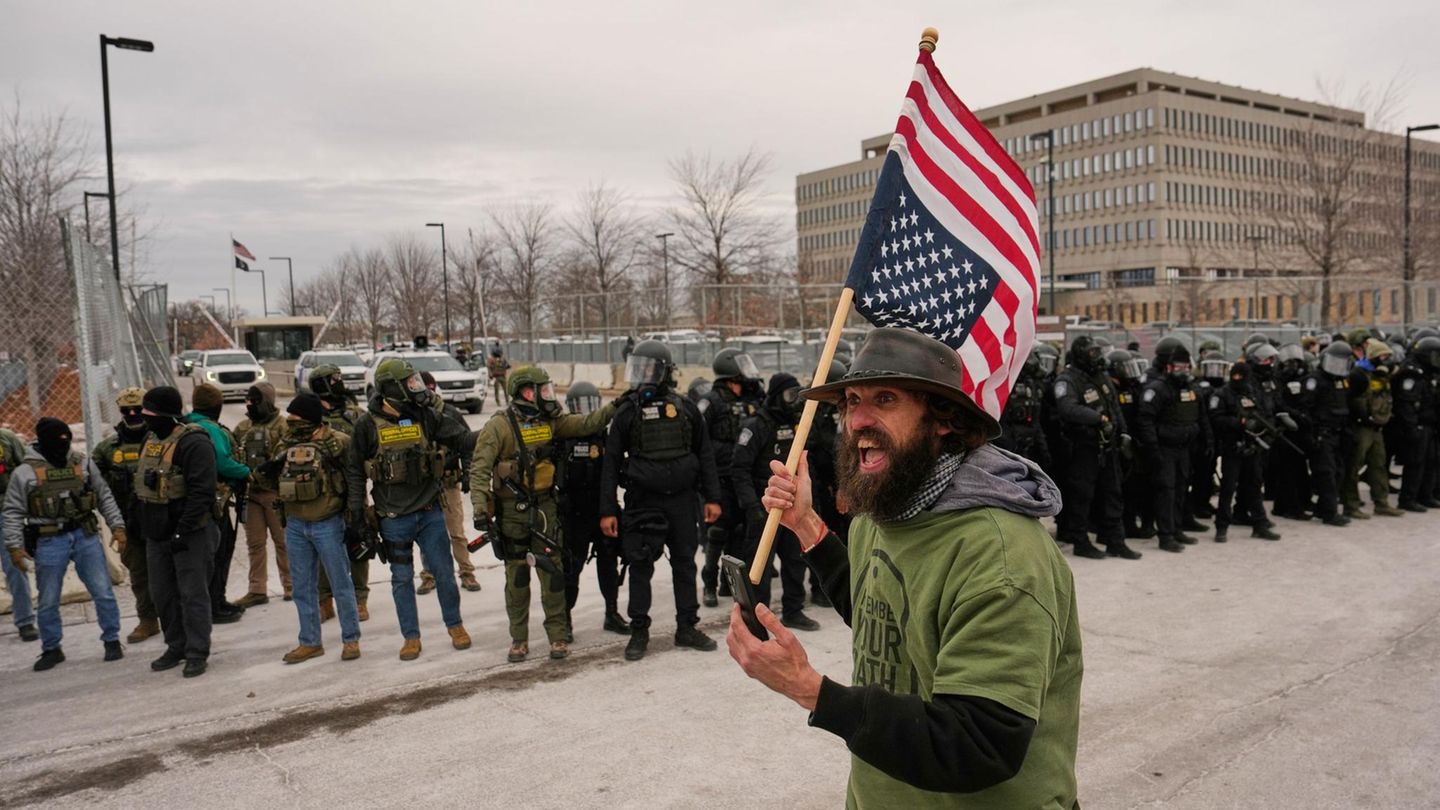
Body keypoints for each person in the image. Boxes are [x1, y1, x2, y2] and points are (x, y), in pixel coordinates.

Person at [728, 327, 1079, 807]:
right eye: (851, 400)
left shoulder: (1001, 556)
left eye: (885, 399)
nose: (857, 421)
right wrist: (807, 525)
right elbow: (880, 609)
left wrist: (811, 690)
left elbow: (979, 744)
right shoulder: (886, 510)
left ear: (943, 419)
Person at [471, 366, 615, 662]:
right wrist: (478, 507)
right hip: (512, 512)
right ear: (527, 392)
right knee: (517, 578)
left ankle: (558, 638)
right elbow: (479, 469)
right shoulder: (499, 426)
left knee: (553, 574)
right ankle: (519, 640)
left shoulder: (552, 422)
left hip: (546, 508)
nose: (549, 395)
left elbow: (587, 423)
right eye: (544, 389)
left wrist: (616, 405)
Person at [600, 340, 723, 661]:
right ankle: (639, 630)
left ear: (665, 372)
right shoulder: (627, 412)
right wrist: (608, 510)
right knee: (640, 567)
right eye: (637, 368)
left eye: (648, 368)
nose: (642, 375)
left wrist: (712, 498)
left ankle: (687, 628)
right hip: (642, 503)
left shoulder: (685, 409)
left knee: (685, 565)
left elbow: (705, 454)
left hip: (683, 502)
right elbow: (610, 464)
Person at [346, 358, 473, 661]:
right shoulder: (366, 425)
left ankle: (455, 625)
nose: (417, 387)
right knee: (402, 579)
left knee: (443, 572)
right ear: (393, 388)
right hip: (393, 518)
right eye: (410, 383)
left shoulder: (427, 416)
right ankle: (411, 637)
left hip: (429, 511)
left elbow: (462, 439)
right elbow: (354, 471)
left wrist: (499, 430)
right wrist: (356, 513)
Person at [4, 417, 127, 671]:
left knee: (102, 590)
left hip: (85, 533)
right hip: (48, 539)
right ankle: (51, 648)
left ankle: (112, 640)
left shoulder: (82, 463)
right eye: (56, 442)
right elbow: (13, 512)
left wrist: (117, 526)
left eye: (66, 440)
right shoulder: (25, 472)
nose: (62, 446)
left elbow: (103, 495)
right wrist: (15, 546)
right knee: (48, 598)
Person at [272, 394, 365, 663]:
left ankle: (351, 639)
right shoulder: (285, 443)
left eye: (295, 417)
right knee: (302, 587)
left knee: (341, 584)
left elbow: (354, 482)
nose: (290, 421)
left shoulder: (338, 442)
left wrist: (357, 518)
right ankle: (310, 641)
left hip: (328, 522)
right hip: (296, 525)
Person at [134, 386, 219, 678]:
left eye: (149, 414)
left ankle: (197, 650)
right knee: (163, 594)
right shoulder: (151, 439)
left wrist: (182, 530)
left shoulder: (194, 442)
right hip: (156, 532)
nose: (144, 419)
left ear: (167, 414)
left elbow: (202, 491)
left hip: (189, 532)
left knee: (193, 593)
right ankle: (176, 645)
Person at [732, 373, 821, 632]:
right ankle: (758, 619)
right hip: (764, 507)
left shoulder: (798, 423)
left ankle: (793, 611)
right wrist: (752, 508)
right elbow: (739, 469)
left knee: (795, 561)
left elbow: (809, 459)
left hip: (791, 506)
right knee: (758, 568)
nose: (792, 401)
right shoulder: (757, 425)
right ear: (776, 395)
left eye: (796, 395)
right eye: (788, 395)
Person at [1052, 336, 1140, 559]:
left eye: (1098, 352)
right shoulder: (1067, 379)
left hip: (1108, 446)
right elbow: (1067, 408)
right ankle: (1081, 542)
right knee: (1082, 496)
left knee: (1113, 494)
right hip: (1083, 447)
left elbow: (1114, 407)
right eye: (1092, 353)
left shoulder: (1101, 377)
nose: (1097, 357)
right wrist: (1098, 419)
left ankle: (1115, 541)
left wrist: (1123, 433)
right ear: (1081, 354)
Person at [557, 381, 628, 638]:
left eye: (590, 405)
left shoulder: (607, 437)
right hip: (573, 516)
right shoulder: (562, 437)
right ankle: (565, 618)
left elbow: (619, 472)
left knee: (609, 564)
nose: (586, 412)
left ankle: (611, 612)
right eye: (580, 405)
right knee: (571, 569)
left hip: (605, 512)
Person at [92, 387, 161, 641]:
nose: (132, 414)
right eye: (126, 411)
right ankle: (148, 620)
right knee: (139, 574)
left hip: (161, 519)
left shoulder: (161, 441)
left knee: (168, 572)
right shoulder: (107, 449)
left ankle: (177, 617)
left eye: (138, 409)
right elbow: (95, 485)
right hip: (128, 522)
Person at [698, 347, 763, 607]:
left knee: (740, 531)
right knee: (717, 533)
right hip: (719, 478)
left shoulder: (750, 400)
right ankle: (709, 583)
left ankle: (729, 581)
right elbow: (699, 441)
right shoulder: (711, 401)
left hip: (742, 478)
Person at [308, 363, 372, 622]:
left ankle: (360, 598)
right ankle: (325, 599)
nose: (339, 382)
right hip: (321, 494)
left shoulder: (355, 414)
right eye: (333, 379)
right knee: (323, 547)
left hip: (353, 489)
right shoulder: (311, 416)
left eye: (339, 378)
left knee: (359, 542)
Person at [186, 383, 252, 625]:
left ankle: (213, 602)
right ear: (217, 406)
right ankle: (216, 603)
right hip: (217, 500)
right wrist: (246, 471)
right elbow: (223, 464)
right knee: (221, 551)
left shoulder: (185, 425)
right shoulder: (211, 430)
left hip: (192, 501)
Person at [1136, 337, 1205, 551]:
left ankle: (1176, 529)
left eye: (1186, 367)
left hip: (1183, 449)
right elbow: (1145, 421)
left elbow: (1200, 418)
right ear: (1168, 366)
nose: (1183, 371)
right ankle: (1166, 536)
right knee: (1166, 492)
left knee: (1180, 489)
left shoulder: (1189, 389)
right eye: (1178, 367)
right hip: (1164, 449)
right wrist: (1153, 450)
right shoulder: (1157, 388)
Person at [416, 371, 481, 595]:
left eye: (429, 387)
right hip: (424, 485)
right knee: (427, 533)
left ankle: (467, 572)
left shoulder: (450, 413)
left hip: (449, 481)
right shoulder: (415, 415)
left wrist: (467, 473)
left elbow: (466, 443)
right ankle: (429, 575)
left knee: (456, 531)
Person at [1208, 355, 1282, 542]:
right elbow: (1216, 419)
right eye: (1235, 375)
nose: (1238, 379)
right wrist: (1239, 424)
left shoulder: (1252, 393)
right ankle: (1221, 527)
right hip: (1232, 447)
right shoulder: (1221, 394)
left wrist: (1263, 431)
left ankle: (1260, 525)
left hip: (1252, 446)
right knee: (1228, 488)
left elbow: (1264, 414)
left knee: (1254, 487)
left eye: (1242, 376)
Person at [234, 383, 291, 605]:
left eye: (255, 401)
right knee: (255, 544)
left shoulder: (283, 426)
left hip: (275, 493)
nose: (250, 405)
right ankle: (257, 589)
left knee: (283, 542)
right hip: (251, 494)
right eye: (248, 401)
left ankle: (290, 585)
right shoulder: (242, 427)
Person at [1298, 341, 1356, 527]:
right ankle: (1330, 513)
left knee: (1338, 471)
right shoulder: (1315, 380)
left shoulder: (1340, 381)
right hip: (1321, 434)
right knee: (1327, 473)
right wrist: (1312, 434)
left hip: (1337, 432)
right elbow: (1305, 409)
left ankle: (1323, 507)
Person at [1343, 340, 1403, 518]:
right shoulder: (1358, 374)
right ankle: (1351, 505)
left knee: (1378, 465)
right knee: (1354, 466)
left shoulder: (1379, 374)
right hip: (1362, 427)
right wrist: (1364, 417)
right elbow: (1353, 400)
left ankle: (1381, 502)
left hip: (1377, 427)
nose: (1385, 360)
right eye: (1382, 356)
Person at [1108, 348, 1154, 540]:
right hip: (1116, 444)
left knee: (1135, 486)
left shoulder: (1132, 388)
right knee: (1119, 489)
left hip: (1133, 443)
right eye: (1126, 368)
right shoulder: (1110, 388)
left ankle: (1131, 523)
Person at [1392, 336, 1439, 512]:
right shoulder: (1411, 372)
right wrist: (1412, 427)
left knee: (1431, 461)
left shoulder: (1427, 372)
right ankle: (1407, 498)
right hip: (1417, 424)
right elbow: (1405, 404)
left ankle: (1425, 495)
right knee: (1415, 462)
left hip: (1428, 423)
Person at [0, 427, 38, 642]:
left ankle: (25, 621)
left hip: (6, 513)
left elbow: (26, 470)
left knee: (15, 566)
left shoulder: (6, 439)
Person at [993, 348, 1051, 470]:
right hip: (1008, 448)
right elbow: (998, 420)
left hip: (1028, 446)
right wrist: (1011, 443)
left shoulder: (1030, 384)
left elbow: (1035, 419)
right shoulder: (1002, 383)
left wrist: (1042, 448)